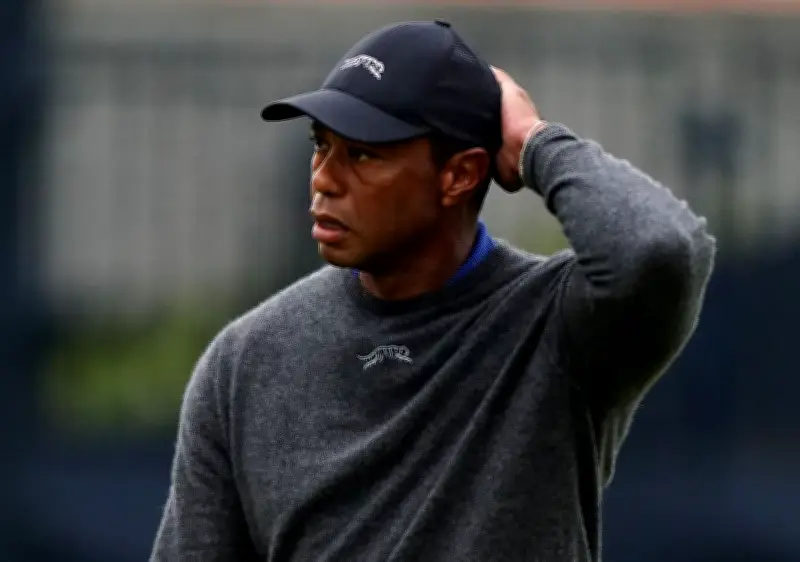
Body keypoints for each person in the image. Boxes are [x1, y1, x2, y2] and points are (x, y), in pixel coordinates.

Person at [151, 20, 715, 562]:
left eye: (362, 153)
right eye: (320, 145)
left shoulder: (555, 327)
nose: (323, 178)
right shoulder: (244, 362)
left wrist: (534, 142)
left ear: (460, 175)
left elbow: (658, 249)